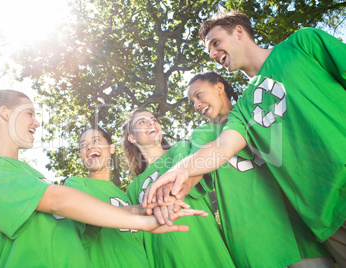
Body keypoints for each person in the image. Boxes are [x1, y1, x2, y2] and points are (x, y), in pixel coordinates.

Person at [143, 10, 346, 267]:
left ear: (239, 31)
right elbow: (222, 147)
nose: (214, 55)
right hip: (325, 217)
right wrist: (182, 169)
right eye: (210, 52)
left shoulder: (301, 44)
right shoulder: (243, 109)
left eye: (216, 43)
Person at [0, 89, 207, 267]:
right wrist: (143, 221)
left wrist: (144, 211)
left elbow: (83, 225)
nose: (36, 122)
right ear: (6, 113)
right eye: (30, 114)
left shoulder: (34, 176)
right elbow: (57, 200)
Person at [187, 71, 334, 267]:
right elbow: (196, 173)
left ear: (219, 87)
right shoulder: (203, 135)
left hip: (298, 222)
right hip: (256, 238)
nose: (196, 105)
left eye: (198, 95)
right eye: (191, 102)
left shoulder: (256, 111)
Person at [122, 108, 235, 268]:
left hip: (201, 247)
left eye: (153, 119)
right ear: (132, 138)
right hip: (162, 258)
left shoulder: (180, 149)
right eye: (142, 122)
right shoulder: (133, 188)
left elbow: (180, 181)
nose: (151, 122)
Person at [64, 127, 152, 267]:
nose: (89, 146)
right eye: (83, 145)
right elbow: (87, 217)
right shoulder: (76, 184)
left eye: (96, 140)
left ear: (112, 148)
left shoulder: (127, 196)